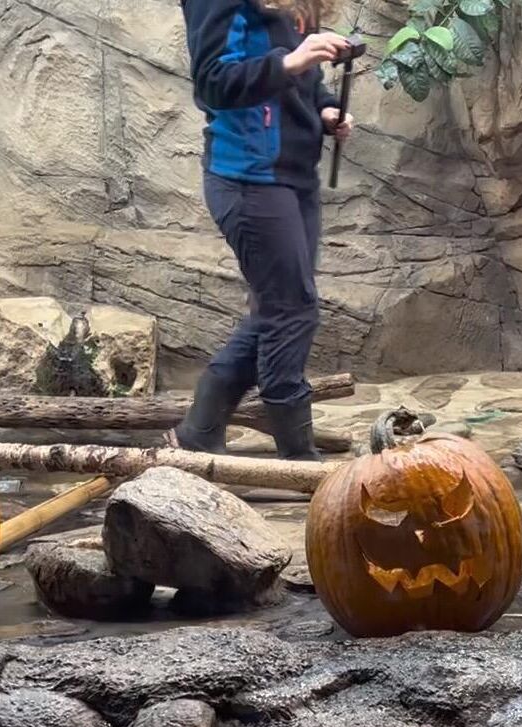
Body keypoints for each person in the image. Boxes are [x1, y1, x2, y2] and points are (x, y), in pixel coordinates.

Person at [172, 0, 356, 460]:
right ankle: (297, 458)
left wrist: (327, 108)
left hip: (295, 174)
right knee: (292, 310)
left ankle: (199, 430)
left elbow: (302, 83)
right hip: (247, 176)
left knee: (279, 308)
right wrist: (291, 60)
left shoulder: (295, 5)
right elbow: (214, 81)